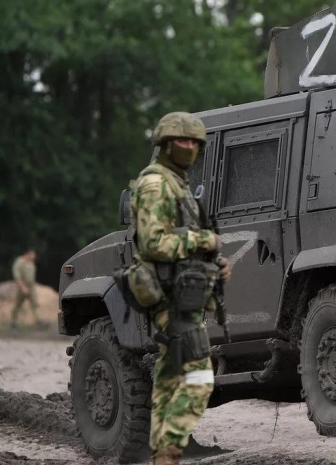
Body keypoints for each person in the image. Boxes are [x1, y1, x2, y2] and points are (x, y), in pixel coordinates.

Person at [132, 112, 231, 465]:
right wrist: (203, 239)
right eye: (181, 141)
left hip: (184, 298)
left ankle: (164, 456)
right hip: (171, 300)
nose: (189, 147)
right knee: (201, 377)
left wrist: (213, 261)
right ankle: (171, 449)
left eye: (194, 143)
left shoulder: (178, 185)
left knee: (170, 378)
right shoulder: (157, 184)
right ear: (164, 145)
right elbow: (152, 243)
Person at [11, 249, 42, 329]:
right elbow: (17, 276)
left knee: (35, 304)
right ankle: (14, 322)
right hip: (22, 286)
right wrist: (23, 287)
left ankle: (39, 321)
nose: (33, 258)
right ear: (27, 254)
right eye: (32, 256)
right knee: (18, 304)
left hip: (31, 286)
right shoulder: (20, 262)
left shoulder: (31, 263)